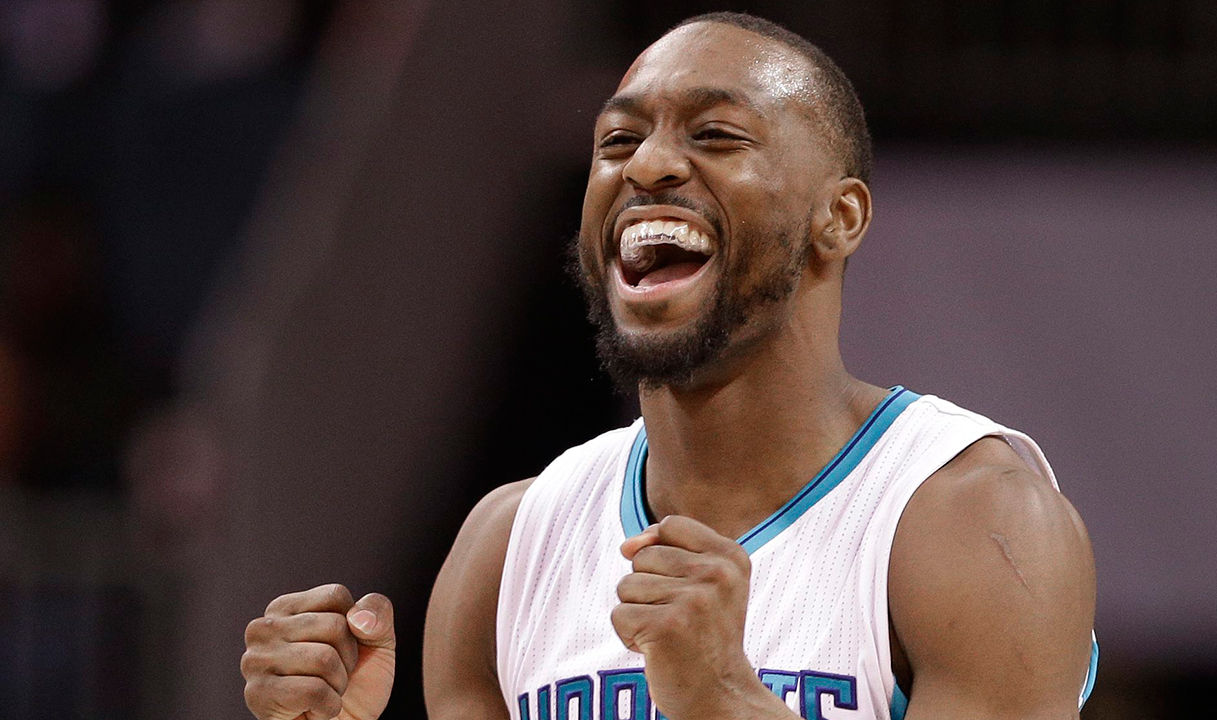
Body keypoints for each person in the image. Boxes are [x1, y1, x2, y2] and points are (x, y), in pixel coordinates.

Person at [240, 12, 1097, 720]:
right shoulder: (508, 548)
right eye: (617, 140)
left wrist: (723, 698)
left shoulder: (975, 524)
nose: (646, 165)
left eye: (716, 134)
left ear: (838, 218)